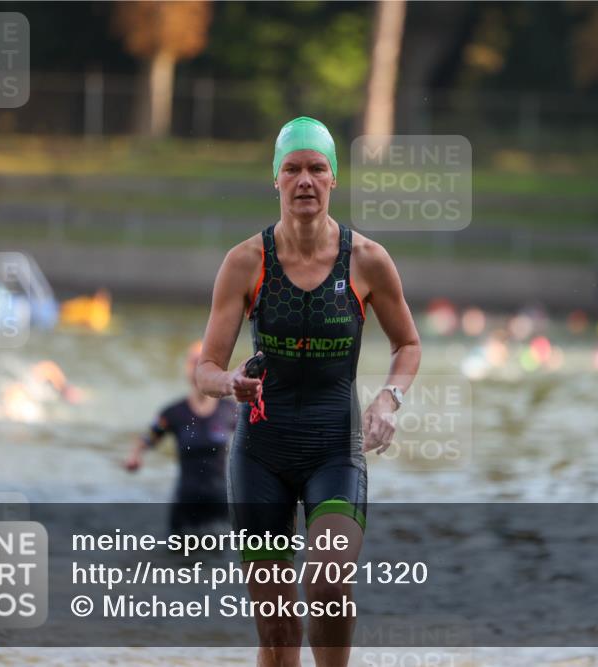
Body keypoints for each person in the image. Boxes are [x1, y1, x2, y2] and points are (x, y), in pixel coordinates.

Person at [195, 116, 421, 667]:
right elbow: (205, 366)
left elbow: (407, 344)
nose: (305, 181)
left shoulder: (366, 260)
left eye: (317, 169)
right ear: (275, 179)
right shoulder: (245, 262)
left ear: (333, 180)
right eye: (292, 169)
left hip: (334, 450)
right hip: (260, 454)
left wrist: (389, 400)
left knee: (327, 581)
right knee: (276, 633)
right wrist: (228, 383)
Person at [125, 341, 237, 535]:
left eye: (203, 362)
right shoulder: (173, 413)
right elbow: (148, 438)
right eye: (194, 362)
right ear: (187, 367)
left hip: (219, 503)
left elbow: (255, 437)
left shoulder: (230, 410)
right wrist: (135, 457)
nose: (197, 368)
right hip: (185, 504)